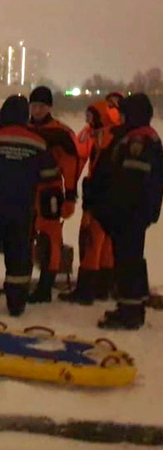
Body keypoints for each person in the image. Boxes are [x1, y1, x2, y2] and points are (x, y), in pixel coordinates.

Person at [0, 95, 62, 316]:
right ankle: (16, 305)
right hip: (22, 210)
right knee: (19, 257)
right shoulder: (37, 143)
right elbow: (51, 173)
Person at [90, 94, 163, 329]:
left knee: (127, 260)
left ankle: (129, 313)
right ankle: (133, 305)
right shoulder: (145, 137)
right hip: (136, 211)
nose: (120, 118)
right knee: (132, 258)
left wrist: (112, 207)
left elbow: (130, 182)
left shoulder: (138, 142)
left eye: (124, 114)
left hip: (129, 212)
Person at [59, 100, 121, 304]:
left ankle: (86, 291)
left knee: (91, 242)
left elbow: (83, 159)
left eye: (90, 116)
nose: (88, 120)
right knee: (105, 245)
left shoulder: (104, 138)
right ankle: (103, 287)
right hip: (109, 199)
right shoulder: (111, 135)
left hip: (98, 198)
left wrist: (82, 190)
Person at [26, 86, 81, 302]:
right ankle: (20, 279)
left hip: (50, 193)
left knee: (50, 239)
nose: (37, 110)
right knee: (22, 236)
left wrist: (70, 196)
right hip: (25, 191)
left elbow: (71, 166)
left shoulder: (61, 133)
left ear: (49, 107)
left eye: (41, 106)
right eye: (34, 106)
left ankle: (45, 287)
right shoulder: (23, 128)